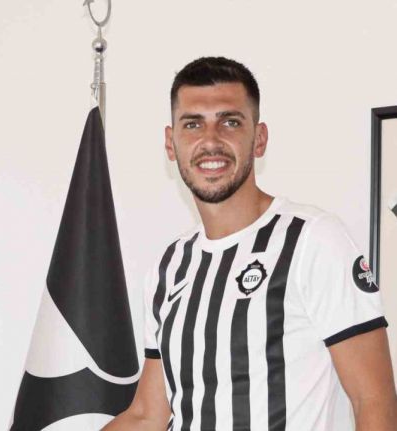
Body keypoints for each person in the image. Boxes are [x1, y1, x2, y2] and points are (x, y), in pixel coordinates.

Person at [104, 57, 397, 430]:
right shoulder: (171, 265)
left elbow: (374, 402)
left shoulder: (314, 240)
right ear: (170, 143)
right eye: (192, 124)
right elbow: (148, 414)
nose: (210, 140)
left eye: (230, 122)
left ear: (259, 139)